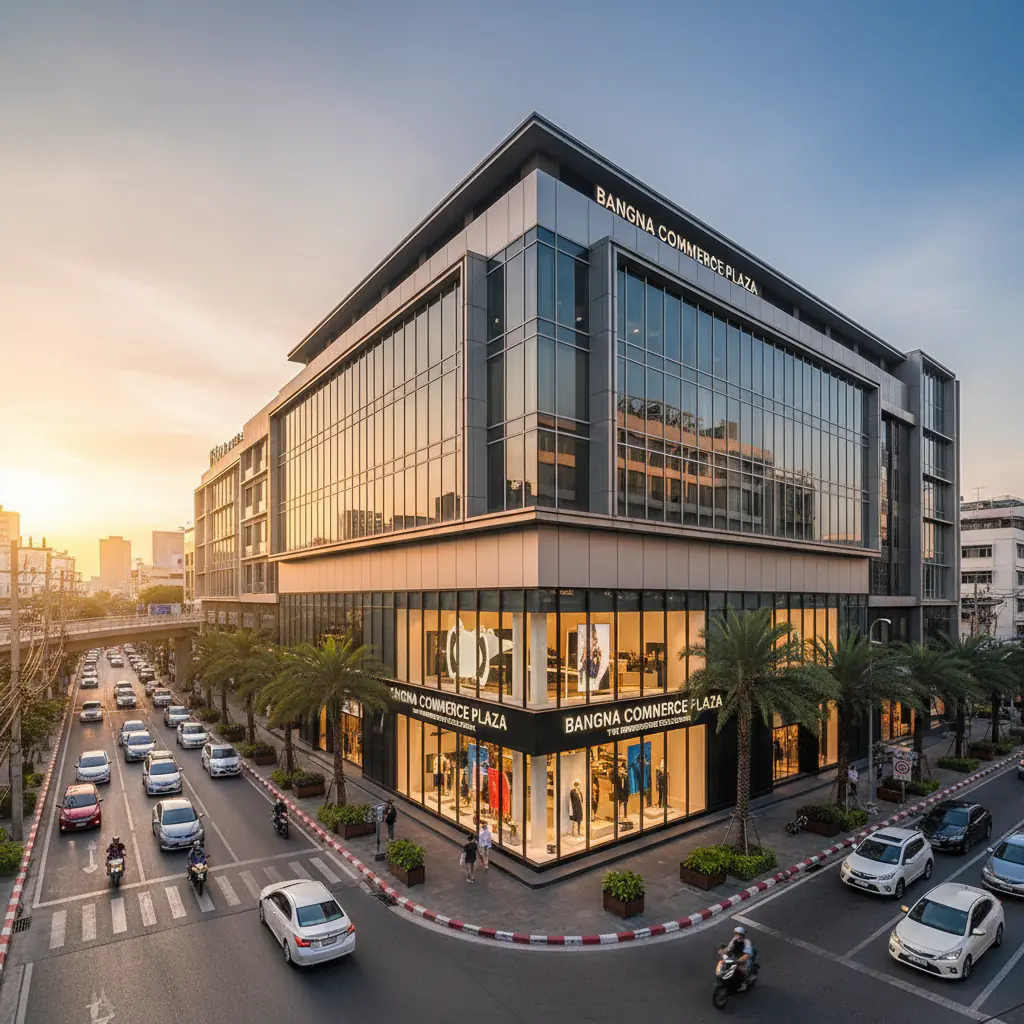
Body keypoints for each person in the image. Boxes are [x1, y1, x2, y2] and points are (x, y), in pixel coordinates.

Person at [720, 925, 755, 990]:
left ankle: (745, 982)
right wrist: (723, 952)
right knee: (724, 964)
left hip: (744, 960)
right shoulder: (734, 940)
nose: (736, 936)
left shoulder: (747, 942)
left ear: (742, 935)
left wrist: (739, 961)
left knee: (741, 968)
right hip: (734, 957)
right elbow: (729, 948)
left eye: (738, 934)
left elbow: (748, 954)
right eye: (735, 934)